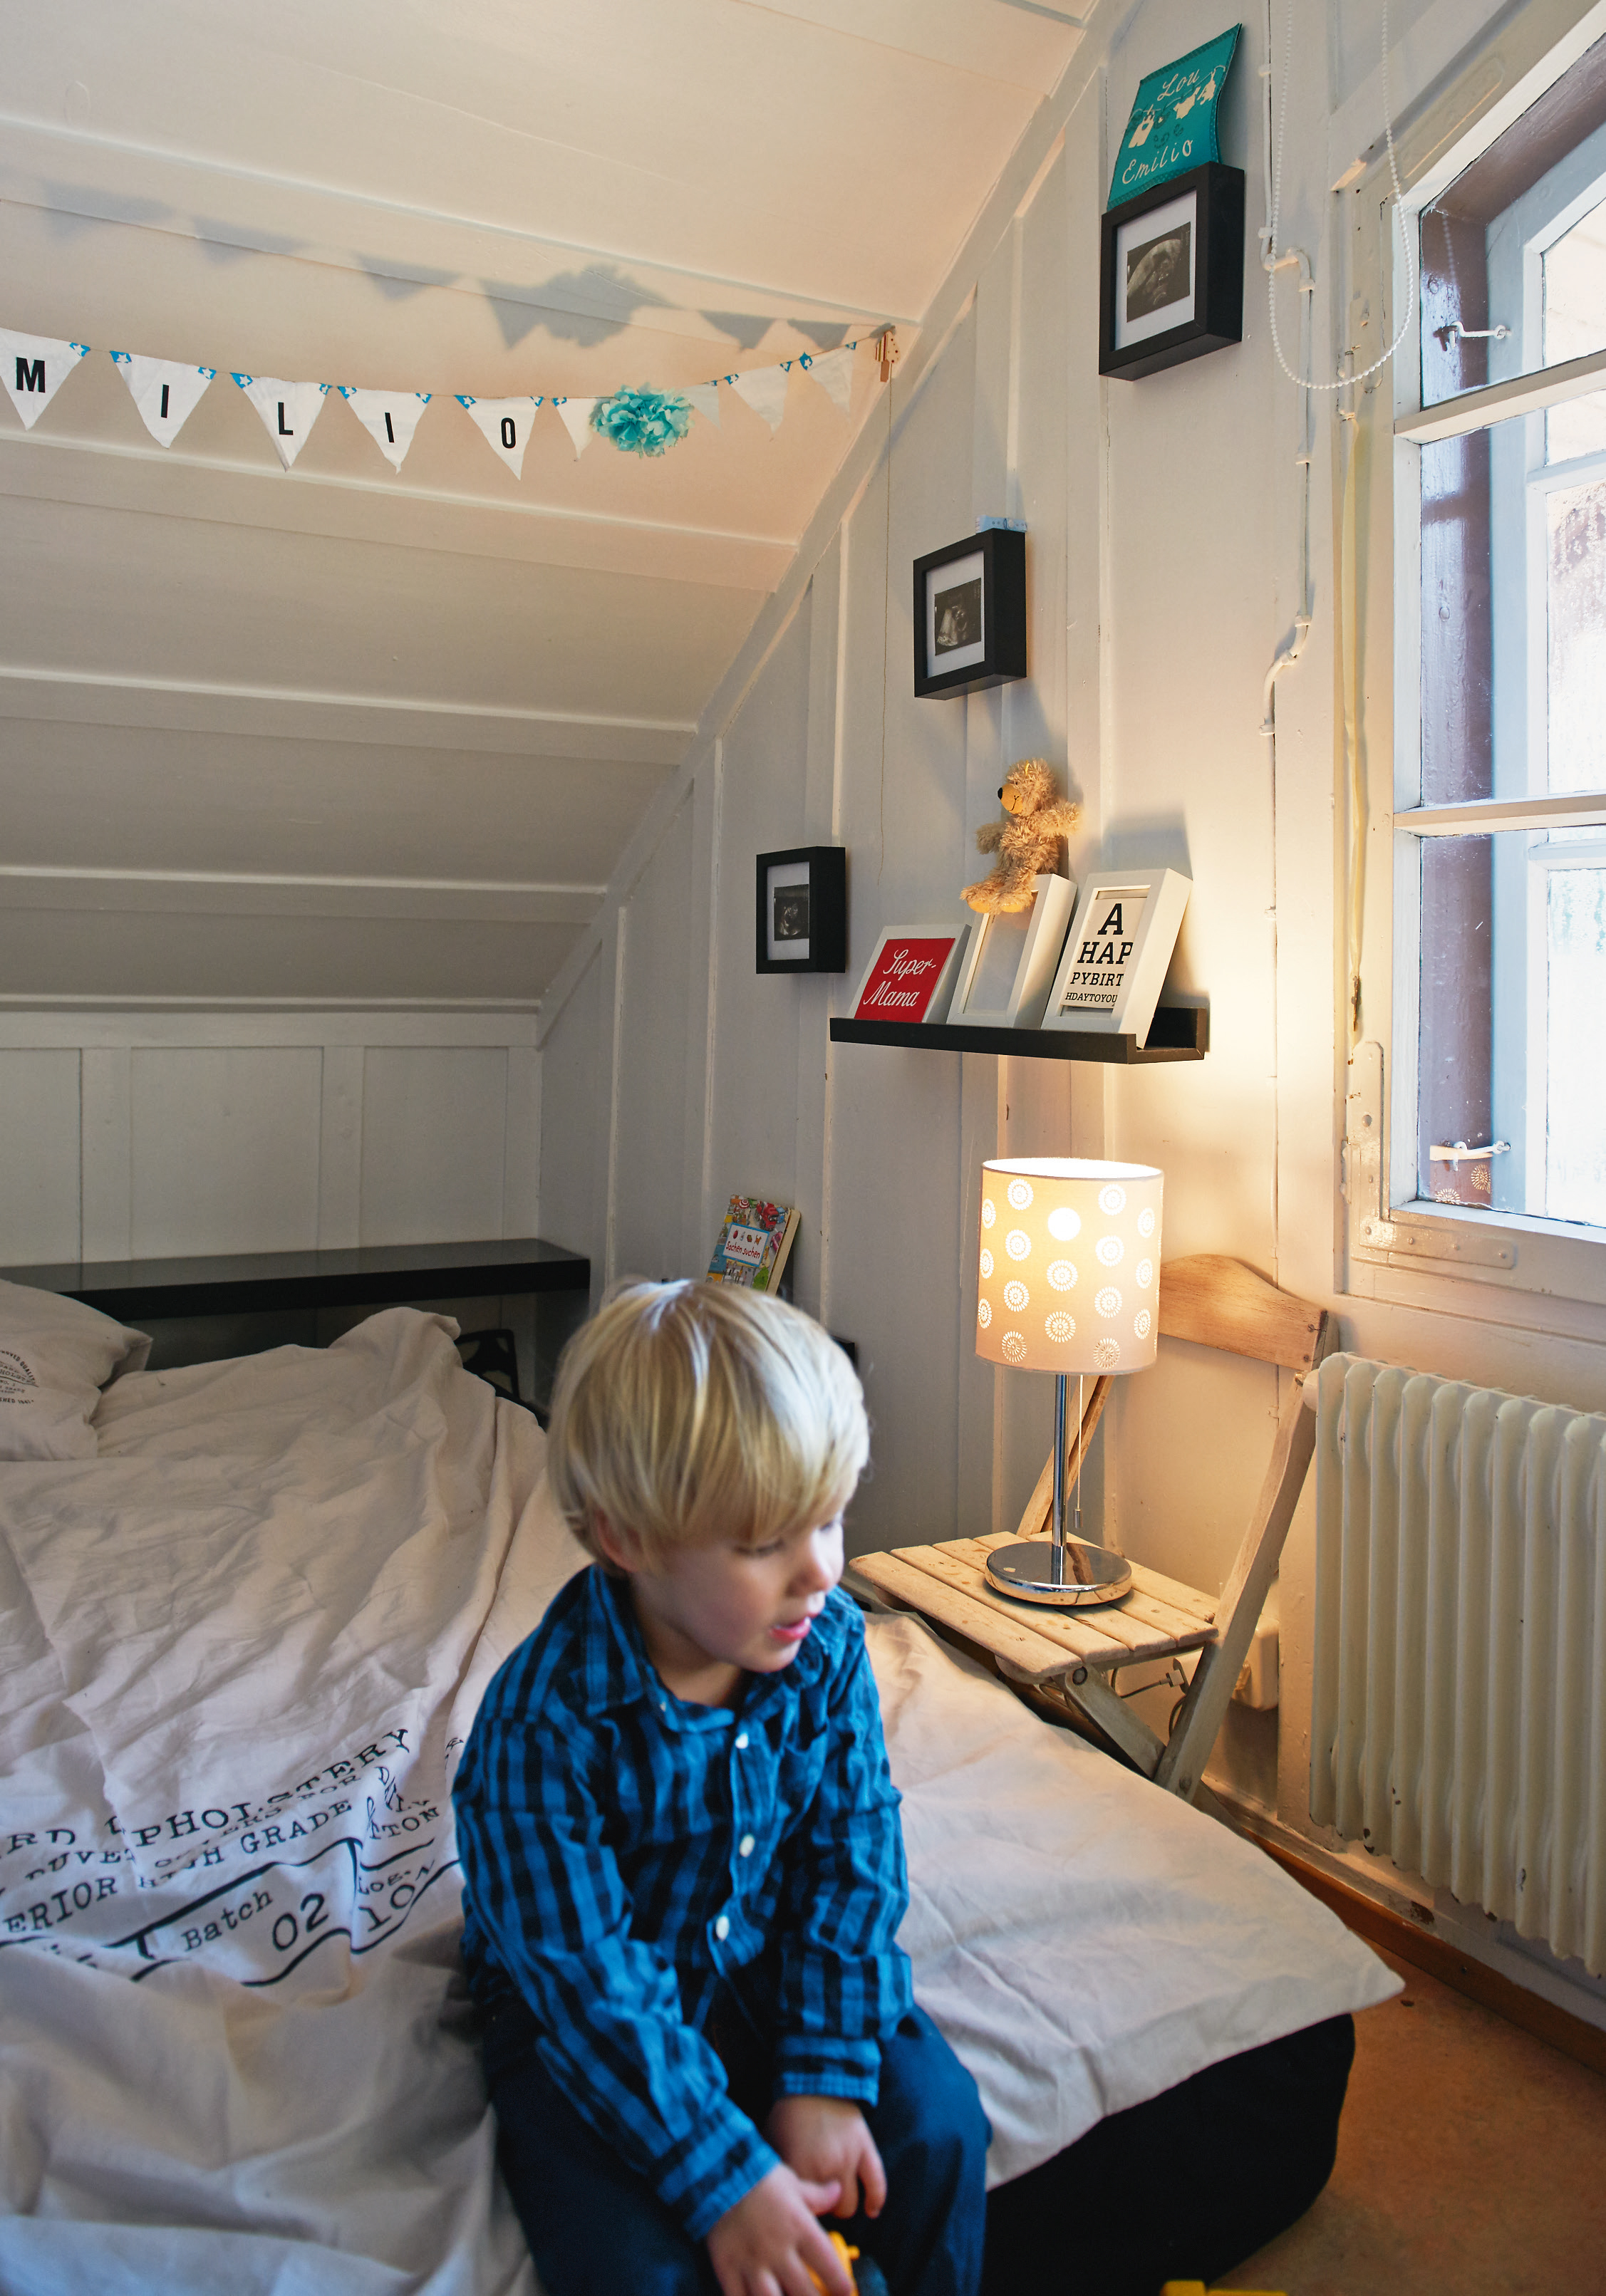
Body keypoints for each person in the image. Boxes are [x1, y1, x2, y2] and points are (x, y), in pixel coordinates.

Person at [452, 1279, 988, 2296]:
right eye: (763, 1544)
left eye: (829, 1522)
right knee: (640, 2270)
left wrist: (825, 2072)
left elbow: (853, 1855)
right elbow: (586, 1984)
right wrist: (725, 2178)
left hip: (763, 1949)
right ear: (629, 1542)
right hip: (592, 2018)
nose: (820, 1573)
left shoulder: (824, 1647)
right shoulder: (539, 1730)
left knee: (940, 2132)